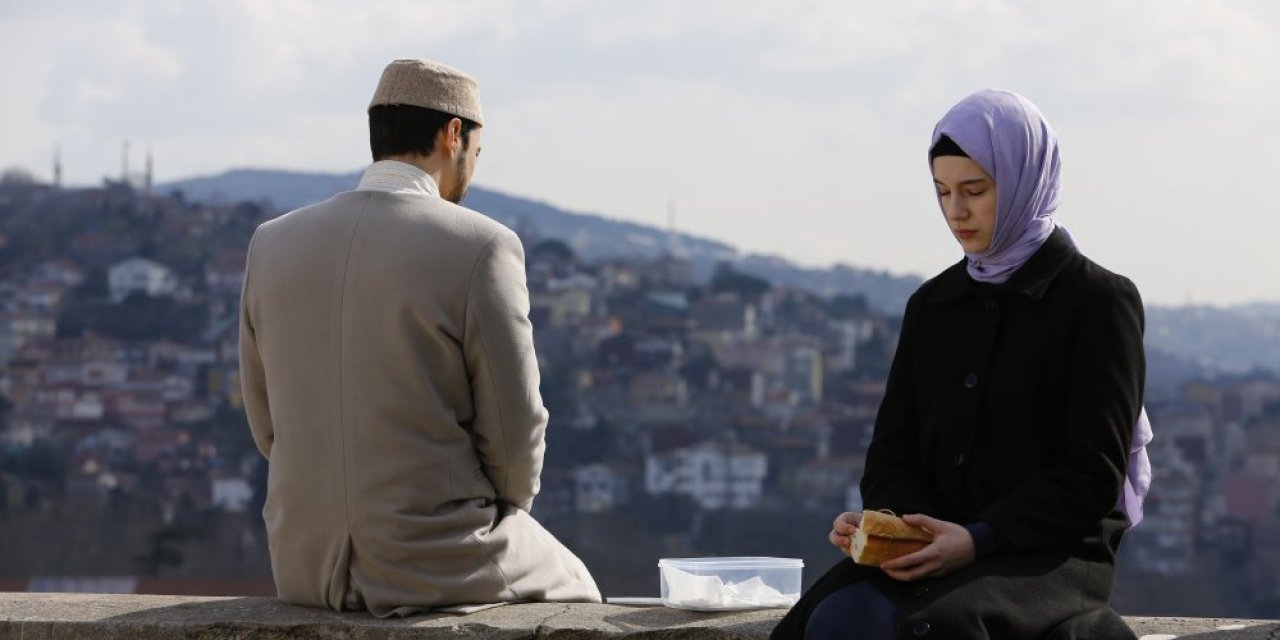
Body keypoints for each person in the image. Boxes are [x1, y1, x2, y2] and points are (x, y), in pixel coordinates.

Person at [770, 89, 1151, 639]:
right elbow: (891, 454)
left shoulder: (1097, 301)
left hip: (1040, 554)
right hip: (930, 548)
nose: (956, 210)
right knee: (838, 616)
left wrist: (978, 537)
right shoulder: (932, 305)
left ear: (1025, 182)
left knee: (924, 629)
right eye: (942, 192)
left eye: (976, 190)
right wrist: (899, 525)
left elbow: (1092, 474)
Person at [239, 58, 602, 617]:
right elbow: (515, 435)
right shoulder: (481, 246)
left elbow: (267, 430)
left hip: (303, 564)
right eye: (477, 153)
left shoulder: (271, 243)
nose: (473, 170)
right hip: (434, 557)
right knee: (580, 589)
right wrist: (507, 510)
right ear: (452, 133)